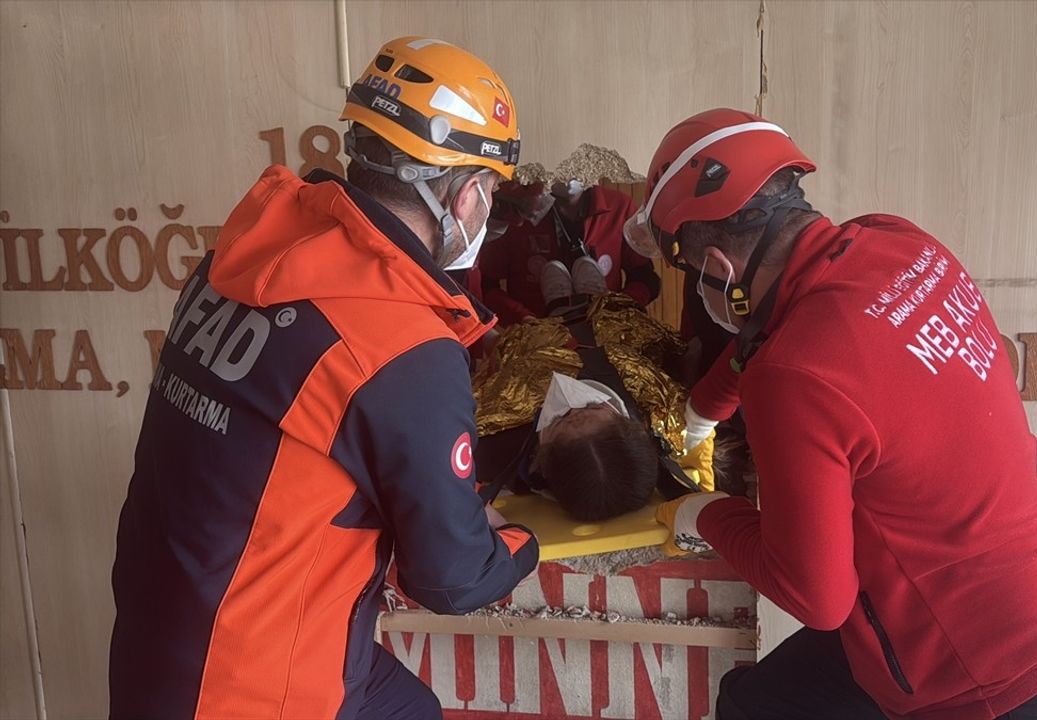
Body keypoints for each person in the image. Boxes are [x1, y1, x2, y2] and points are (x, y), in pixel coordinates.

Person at [632, 109, 1037, 720]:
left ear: (721, 270)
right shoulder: (896, 242)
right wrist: (705, 409)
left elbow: (817, 597)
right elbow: (789, 338)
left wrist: (700, 512)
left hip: (983, 692)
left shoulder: (793, 376)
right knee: (757, 703)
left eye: (694, 275)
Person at [109, 38, 538, 720]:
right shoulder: (402, 343)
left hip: (157, 637)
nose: (488, 211)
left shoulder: (245, 253)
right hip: (256, 684)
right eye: (490, 191)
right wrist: (522, 538)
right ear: (463, 195)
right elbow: (453, 579)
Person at [471, 289, 716, 522]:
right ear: (631, 425)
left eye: (561, 419)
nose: (573, 400)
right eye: (593, 407)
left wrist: (479, 326)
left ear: (542, 462)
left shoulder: (493, 448)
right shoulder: (661, 412)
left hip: (527, 325)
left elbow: (490, 348)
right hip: (606, 306)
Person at [478, 162, 662, 323]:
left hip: (603, 332)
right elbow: (486, 286)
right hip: (540, 340)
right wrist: (523, 319)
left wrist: (618, 309)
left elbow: (646, 278)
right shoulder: (519, 214)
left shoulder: (619, 207)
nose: (568, 171)